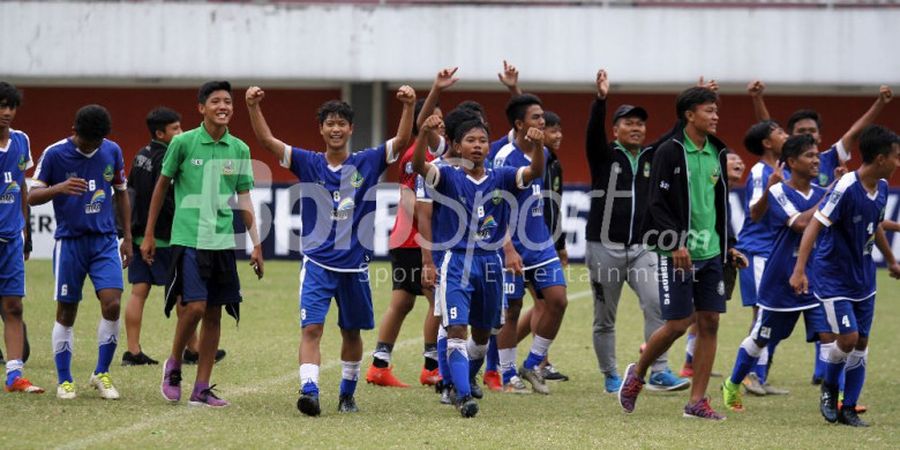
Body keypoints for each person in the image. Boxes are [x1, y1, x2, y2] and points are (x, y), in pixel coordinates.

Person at [246, 83, 415, 416]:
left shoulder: (367, 162)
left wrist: (408, 107)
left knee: (351, 331)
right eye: (329, 124)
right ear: (321, 129)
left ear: (350, 129)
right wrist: (253, 107)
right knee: (312, 328)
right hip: (317, 263)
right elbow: (267, 142)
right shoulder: (307, 162)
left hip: (355, 266)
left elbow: (402, 142)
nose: (335, 129)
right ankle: (309, 391)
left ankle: (347, 393)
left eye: (341, 124)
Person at [619, 85, 748, 420]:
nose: (716, 116)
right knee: (677, 324)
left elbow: (719, 205)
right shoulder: (669, 151)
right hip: (676, 250)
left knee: (710, 321)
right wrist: (675, 242)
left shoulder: (718, 152)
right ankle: (638, 373)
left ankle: (697, 401)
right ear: (690, 115)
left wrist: (729, 244)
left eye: (716, 110)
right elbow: (656, 204)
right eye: (709, 110)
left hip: (712, 253)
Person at [413, 113, 544, 417]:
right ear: (457, 146)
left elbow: (535, 172)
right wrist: (423, 135)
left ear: (488, 147)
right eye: (470, 140)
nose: (477, 145)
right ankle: (459, 393)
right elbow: (420, 166)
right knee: (456, 328)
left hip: (490, 264)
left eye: (482, 140)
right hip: (456, 261)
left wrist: (537, 147)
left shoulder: (502, 176)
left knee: (483, 334)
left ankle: (466, 379)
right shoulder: (446, 176)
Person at [144, 81, 264, 408]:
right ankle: (174, 363)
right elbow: (161, 187)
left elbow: (244, 197)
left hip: (222, 242)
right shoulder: (182, 143)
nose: (223, 106)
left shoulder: (239, 148)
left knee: (214, 314)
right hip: (188, 239)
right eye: (216, 101)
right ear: (201, 108)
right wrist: (151, 233)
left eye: (228, 101)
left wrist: (256, 243)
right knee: (194, 307)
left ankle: (201, 388)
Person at [584, 69, 690, 394]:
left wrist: (692, 105)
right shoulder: (604, 156)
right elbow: (591, 134)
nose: (635, 127)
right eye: (628, 122)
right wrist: (600, 100)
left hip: (644, 247)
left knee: (658, 305)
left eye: (640, 123)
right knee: (605, 317)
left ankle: (658, 370)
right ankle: (610, 376)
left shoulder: (652, 156)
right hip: (604, 247)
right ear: (615, 129)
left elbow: (677, 131)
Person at [790, 125, 900, 427]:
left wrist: (891, 261)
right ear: (880, 159)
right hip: (833, 277)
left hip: (863, 279)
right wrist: (799, 270)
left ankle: (849, 408)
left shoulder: (879, 190)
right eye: (896, 157)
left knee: (862, 343)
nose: (898, 163)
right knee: (848, 338)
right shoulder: (845, 187)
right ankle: (829, 387)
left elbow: (874, 225)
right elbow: (814, 225)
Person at [30, 104, 132, 400]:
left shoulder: (111, 150)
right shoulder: (54, 154)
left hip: (103, 241)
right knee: (66, 311)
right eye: (89, 142)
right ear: (75, 132)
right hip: (70, 243)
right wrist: (59, 187)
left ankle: (101, 373)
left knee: (112, 304)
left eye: (98, 142)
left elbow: (122, 192)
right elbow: (33, 196)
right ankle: (65, 380)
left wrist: (126, 237)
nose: (93, 147)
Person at [722, 134, 828, 412]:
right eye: (809, 155)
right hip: (781, 278)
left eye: (817, 155)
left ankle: (837, 398)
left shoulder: (820, 192)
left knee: (833, 337)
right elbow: (801, 224)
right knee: (762, 336)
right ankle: (733, 383)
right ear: (792, 162)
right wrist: (832, 198)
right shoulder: (779, 191)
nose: (816, 160)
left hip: (815, 279)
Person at [367, 69, 457, 388]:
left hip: (410, 238)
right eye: (435, 118)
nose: (440, 122)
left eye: (442, 118)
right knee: (437, 300)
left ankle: (379, 365)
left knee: (403, 300)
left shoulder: (438, 153)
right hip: (413, 239)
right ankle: (432, 366)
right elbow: (410, 201)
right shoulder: (415, 156)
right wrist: (424, 243)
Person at [492, 93, 568, 395]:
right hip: (510, 245)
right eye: (536, 118)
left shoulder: (543, 152)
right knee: (512, 310)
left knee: (558, 300)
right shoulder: (502, 158)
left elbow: (537, 172)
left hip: (540, 243)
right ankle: (508, 373)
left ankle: (533, 363)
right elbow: (495, 208)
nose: (542, 121)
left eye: (543, 118)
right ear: (520, 123)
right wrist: (508, 249)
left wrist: (538, 144)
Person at [732, 118, 790, 396]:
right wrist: (772, 186)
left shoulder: (784, 171)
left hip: (774, 252)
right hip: (757, 251)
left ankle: (758, 375)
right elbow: (755, 211)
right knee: (763, 313)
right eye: (780, 132)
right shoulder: (759, 171)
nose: (786, 135)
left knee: (769, 315)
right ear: (767, 143)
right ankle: (749, 375)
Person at [750, 81, 893, 188]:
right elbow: (768, 131)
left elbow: (854, 133)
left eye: (812, 131)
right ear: (790, 136)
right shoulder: (783, 162)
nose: (807, 135)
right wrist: (757, 98)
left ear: (819, 137)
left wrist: (880, 102)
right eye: (801, 131)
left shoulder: (831, 157)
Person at [0, 81, 41, 393]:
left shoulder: (22, 140)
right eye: (1, 106)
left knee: (13, 306)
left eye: (11, 106)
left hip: (12, 238)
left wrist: (25, 232)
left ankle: (14, 376)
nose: (6, 112)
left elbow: (23, 186)